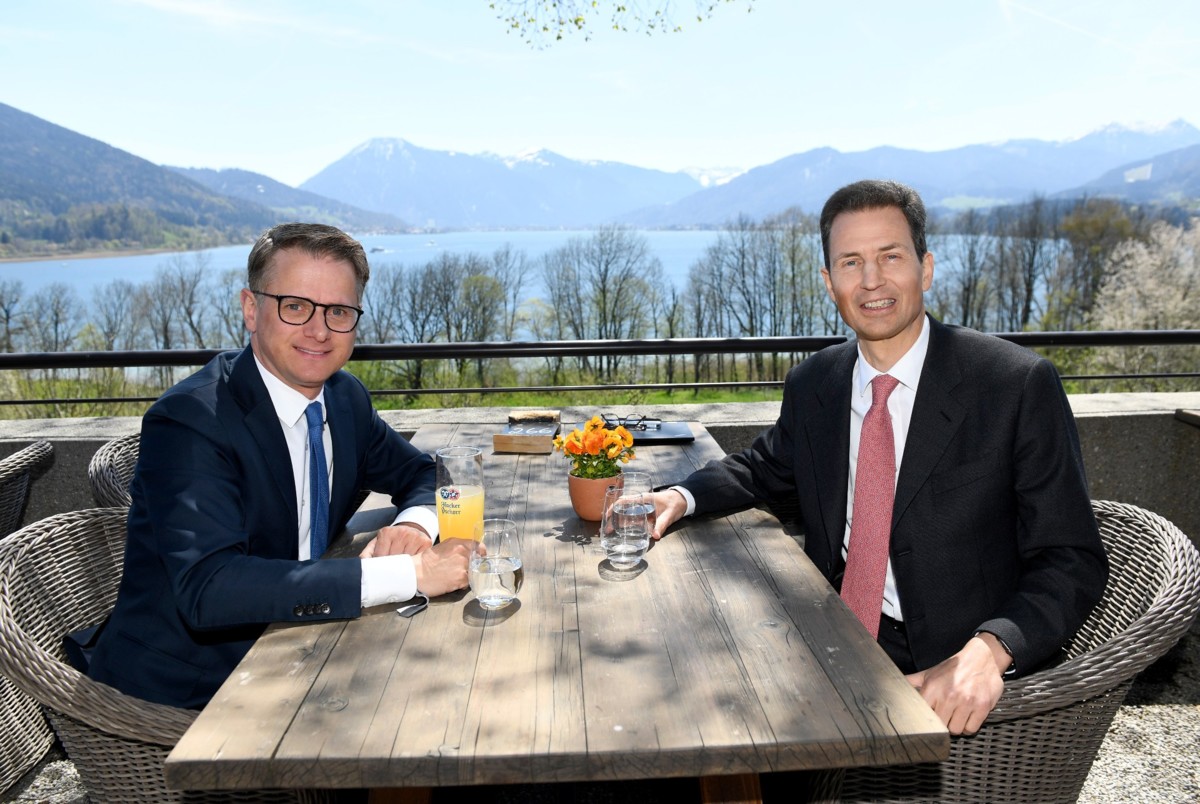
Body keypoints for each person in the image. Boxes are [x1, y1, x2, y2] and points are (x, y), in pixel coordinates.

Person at [649, 179, 1108, 736]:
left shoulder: (1014, 385)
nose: (871, 281)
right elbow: (764, 467)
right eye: (851, 262)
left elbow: (1071, 558)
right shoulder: (815, 383)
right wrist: (679, 496)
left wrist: (990, 649)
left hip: (949, 661)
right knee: (685, 688)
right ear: (829, 282)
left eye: (891, 256)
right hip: (831, 636)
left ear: (926, 268)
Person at [88, 223, 472, 709]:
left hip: (304, 641)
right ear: (251, 309)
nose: (319, 330)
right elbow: (210, 589)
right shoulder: (191, 421)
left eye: (338, 311)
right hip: (195, 689)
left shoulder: (343, 398)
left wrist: (414, 527)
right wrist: (407, 574)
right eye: (295, 306)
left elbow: (426, 473)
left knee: (452, 685)